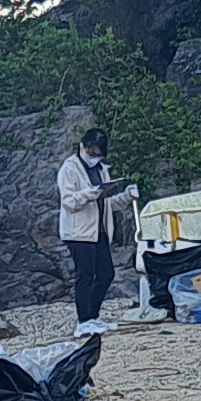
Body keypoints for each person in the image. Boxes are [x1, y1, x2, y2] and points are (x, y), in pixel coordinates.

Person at [56, 125, 121, 334]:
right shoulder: (69, 168)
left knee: (106, 273)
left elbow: (106, 201)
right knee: (85, 274)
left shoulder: (102, 169)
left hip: (98, 229)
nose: (95, 156)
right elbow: (68, 202)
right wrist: (88, 194)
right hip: (78, 232)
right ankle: (83, 321)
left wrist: (127, 197)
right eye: (92, 151)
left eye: (98, 153)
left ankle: (92, 316)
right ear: (83, 146)